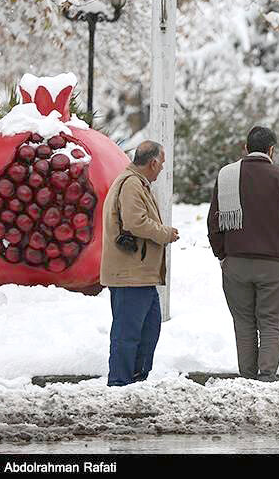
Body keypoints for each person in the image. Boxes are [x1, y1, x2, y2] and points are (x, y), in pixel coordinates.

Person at [207, 126, 279, 382]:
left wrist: (223, 254)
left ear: (245, 147)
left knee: (243, 323)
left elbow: (214, 222)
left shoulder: (226, 176)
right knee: (271, 323)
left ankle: (248, 377)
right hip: (272, 265)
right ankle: (266, 376)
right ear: (271, 150)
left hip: (236, 263)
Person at [100, 140, 179, 387]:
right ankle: (120, 384)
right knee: (128, 334)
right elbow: (136, 222)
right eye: (161, 164)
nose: (161, 169)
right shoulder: (132, 184)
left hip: (140, 275)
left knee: (148, 329)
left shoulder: (136, 182)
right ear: (153, 162)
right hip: (130, 275)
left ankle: (135, 380)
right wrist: (165, 233)